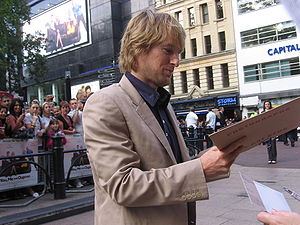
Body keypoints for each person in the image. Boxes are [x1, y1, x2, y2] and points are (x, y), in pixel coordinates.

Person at [83, 10, 244, 225]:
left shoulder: (162, 103)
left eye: (178, 53)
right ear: (138, 47)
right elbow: (123, 185)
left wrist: (212, 157)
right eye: (168, 50)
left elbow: (169, 166)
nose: (176, 62)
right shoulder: (105, 102)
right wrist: (200, 169)